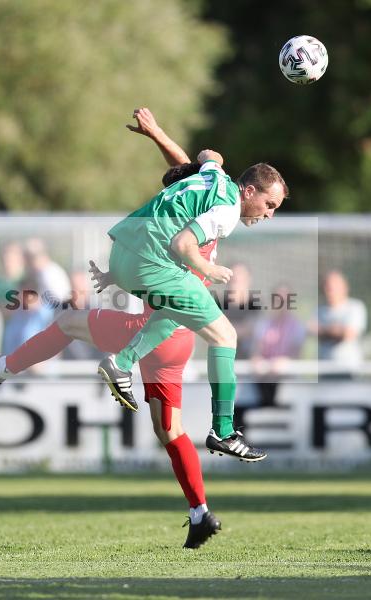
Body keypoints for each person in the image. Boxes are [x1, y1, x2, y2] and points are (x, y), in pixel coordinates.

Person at [0, 107, 227, 548]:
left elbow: (200, 165)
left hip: (150, 331)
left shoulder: (178, 227)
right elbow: (196, 170)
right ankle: (200, 511)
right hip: (178, 340)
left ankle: (1, 370)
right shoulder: (212, 218)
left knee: (69, 321)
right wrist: (165, 139)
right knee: (170, 431)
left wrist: (187, 148)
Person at [71, 113, 286, 463]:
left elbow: (209, 155)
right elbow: (184, 244)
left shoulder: (215, 177)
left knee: (178, 314)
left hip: (123, 253)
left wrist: (157, 133)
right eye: (269, 205)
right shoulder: (228, 211)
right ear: (249, 191)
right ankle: (224, 431)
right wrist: (208, 268)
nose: (269, 214)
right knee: (225, 336)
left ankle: (120, 363)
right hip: (150, 259)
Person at [250, 283, 306, 406]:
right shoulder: (263, 324)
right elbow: (257, 351)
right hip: (264, 379)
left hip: (286, 380)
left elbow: (297, 354)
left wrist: (285, 361)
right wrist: (258, 360)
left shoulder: (297, 326)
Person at [314, 270, 367, 366]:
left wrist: (324, 331)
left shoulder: (355, 307)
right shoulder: (319, 310)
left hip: (348, 368)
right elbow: (312, 330)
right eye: (327, 287)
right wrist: (336, 330)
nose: (329, 290)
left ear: (344, 287)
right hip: (325, 368)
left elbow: (349, 334)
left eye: (333, 287)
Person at [220, 263, 260, 359]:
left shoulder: (256, 305)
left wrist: (225, 330)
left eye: (240, 277)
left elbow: (255, 330)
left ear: (248, 279)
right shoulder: (219, 305)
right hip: (224, 358)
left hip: (251, 363)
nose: (236, 280)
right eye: (233, 279)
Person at [24, 238, 71, 306]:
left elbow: (58, 300)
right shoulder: (40, 273)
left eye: (32, 257)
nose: (29, 262)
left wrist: (36, 303)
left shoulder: (50, 273)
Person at [0, 241, 26, 306]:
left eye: (11, 259)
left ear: (21, 259)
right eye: (5, 258)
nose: (7, 262)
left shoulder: (31, 280)